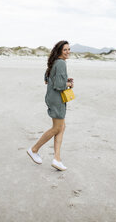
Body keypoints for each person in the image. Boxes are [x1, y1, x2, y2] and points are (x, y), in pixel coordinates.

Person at [27, 40, 74, 171]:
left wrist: (65, 80)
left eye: (69, 49)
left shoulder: (54, 63)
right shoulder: (61, 63)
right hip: (57, 99)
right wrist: (68, 84)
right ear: (59, 51)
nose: (68, 52)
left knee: (61, 127)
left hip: (52, 98)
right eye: (65, 50)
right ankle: (34, 149)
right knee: (57, 128)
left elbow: (47, 80)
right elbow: (59, 85)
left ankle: (57, 159)